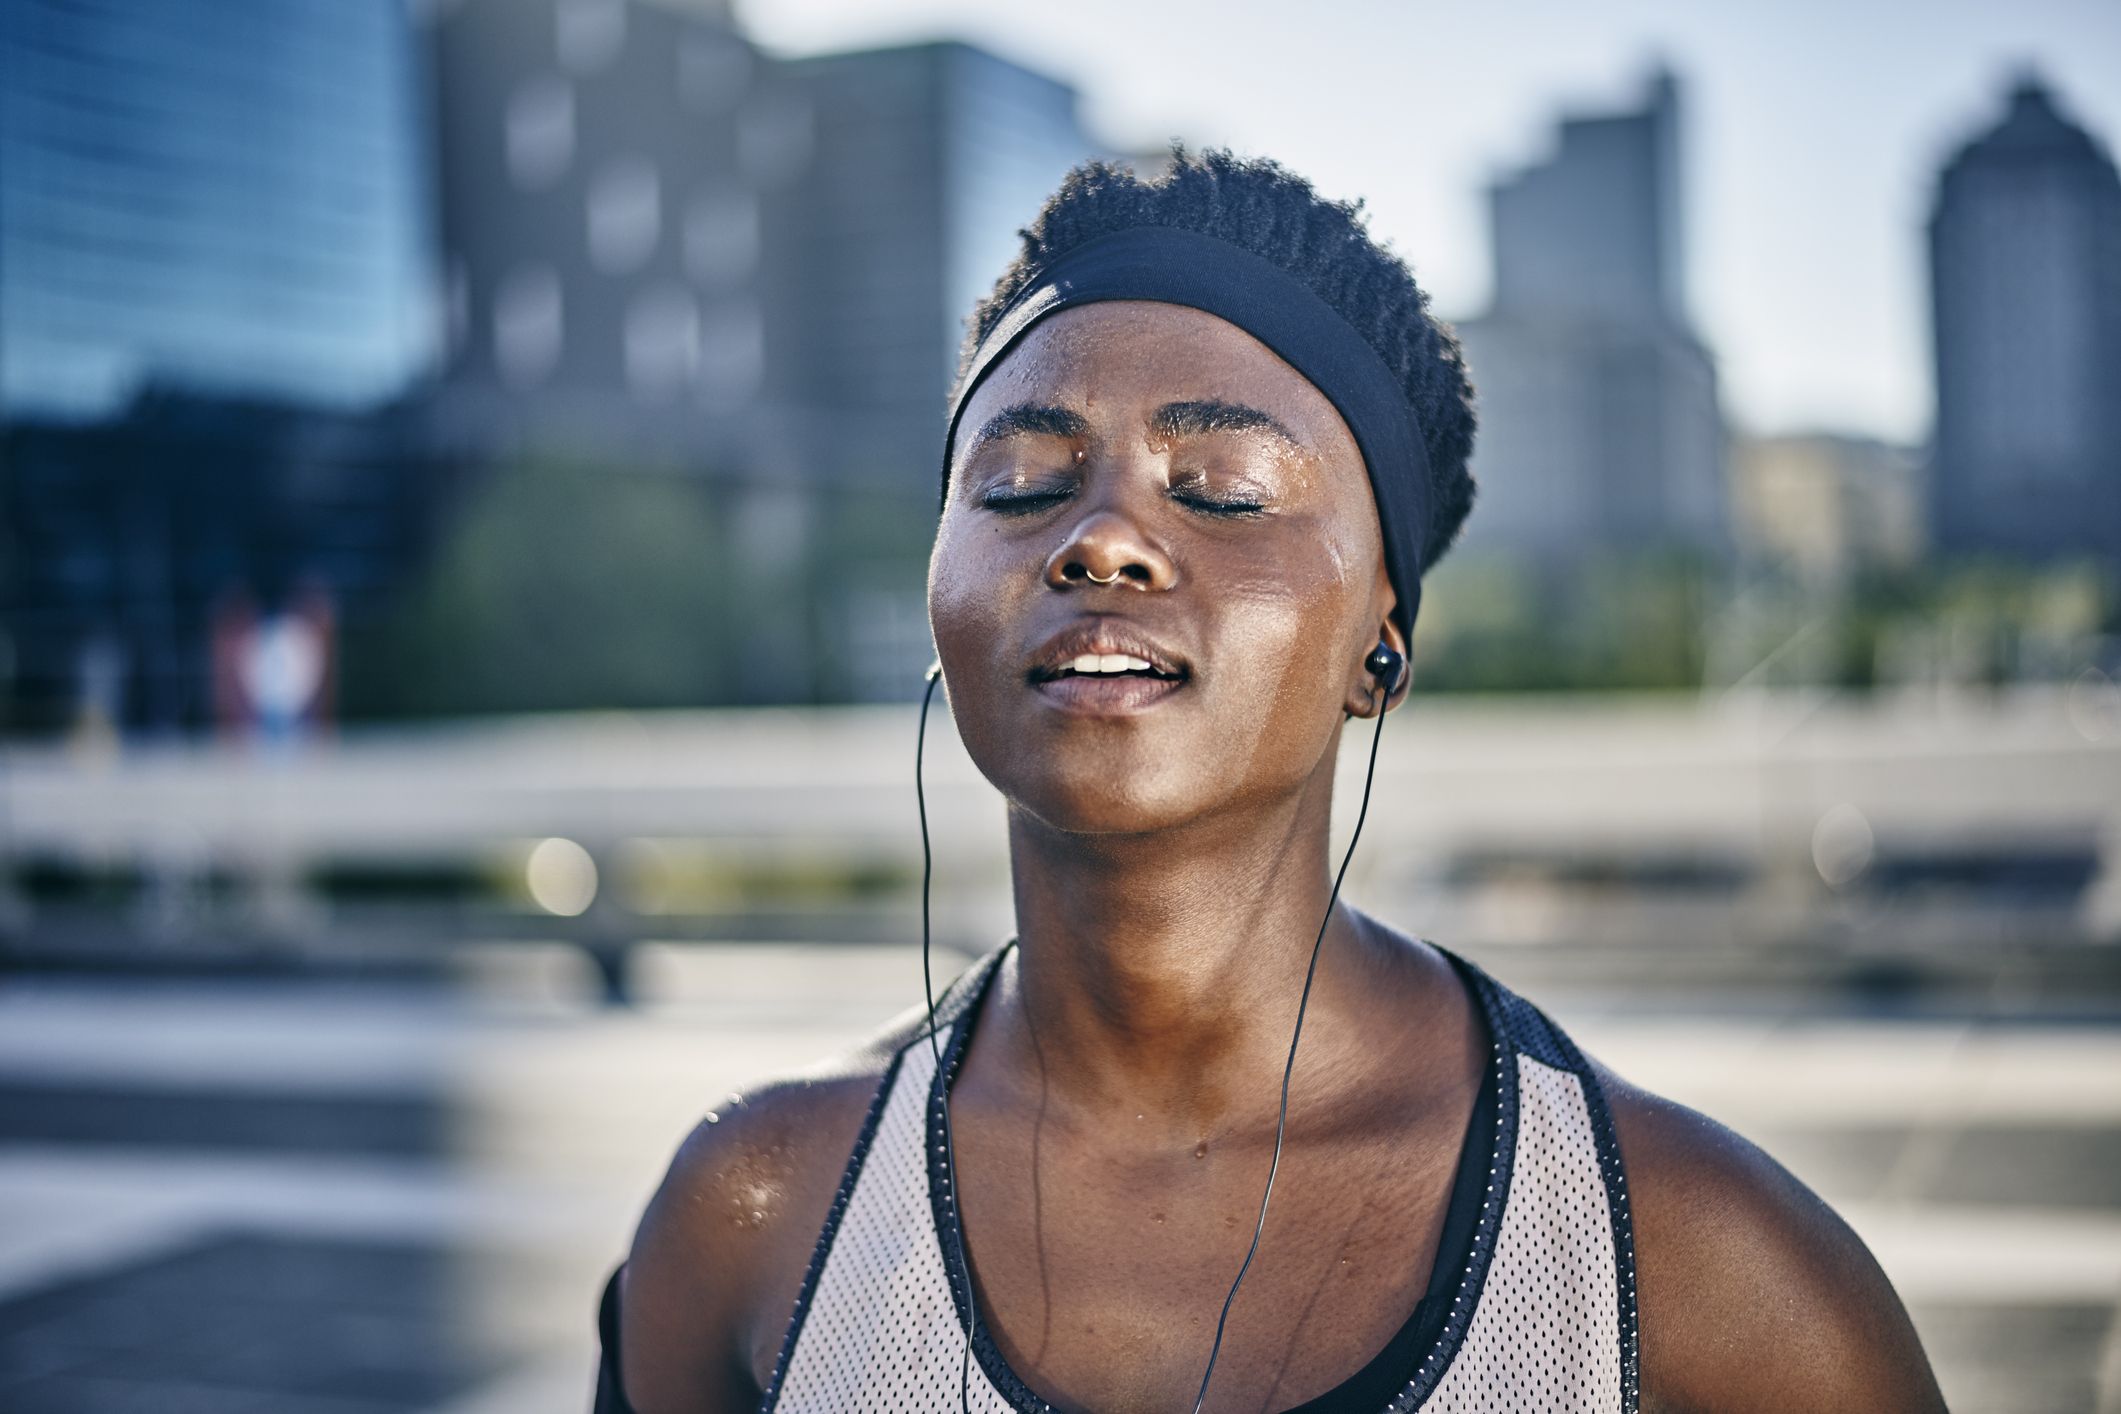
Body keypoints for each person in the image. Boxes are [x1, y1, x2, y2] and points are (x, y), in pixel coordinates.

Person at [591, 148, 1945, 1413]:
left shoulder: (1694, 1273)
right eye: (1016, 481)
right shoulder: (754, 1217)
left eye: (1224, 488)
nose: (1103, 537)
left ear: (1381, 639)